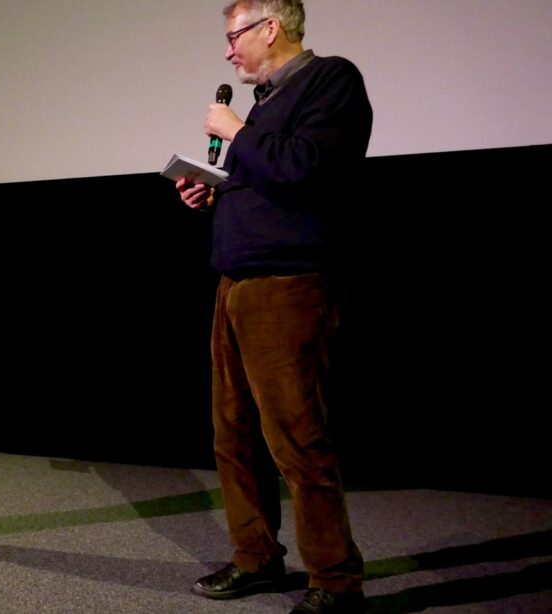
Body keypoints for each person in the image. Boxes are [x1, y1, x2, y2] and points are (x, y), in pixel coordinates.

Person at [175, 2, 372, 613]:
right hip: (235, 282)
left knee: (296, 438)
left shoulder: (331, 80)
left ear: (270, 28)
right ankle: (257, 557)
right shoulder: (260, 107)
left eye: (234, 38)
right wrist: (210, 191)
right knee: (232, 435)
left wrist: (237, 133)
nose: (229, 52)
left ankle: (336, 580)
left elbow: (304, 168)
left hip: (289, 285)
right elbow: (265, 177)